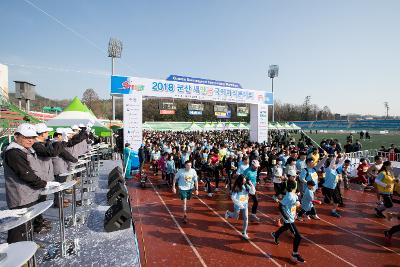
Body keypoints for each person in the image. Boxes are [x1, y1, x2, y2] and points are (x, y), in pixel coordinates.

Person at [2, 124, 59, 243]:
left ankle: (25, 248)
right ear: (16, 136)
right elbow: (25, 174)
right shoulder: (13, 152)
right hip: (21, 196)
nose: (30, 140)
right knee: (19, 228)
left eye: (33, 137)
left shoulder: (26, 149)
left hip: (30, 193)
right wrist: (44, 184)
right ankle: (16, 257)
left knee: (28, 225)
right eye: (26, 137)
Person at [271, 180, 305, 263]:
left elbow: (296, 202)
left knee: (285, 227)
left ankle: (275, 234)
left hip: (291, 217)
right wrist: (285, 216)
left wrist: (297, 204)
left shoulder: (293, 195)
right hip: (289, 219)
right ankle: (295, 254)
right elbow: (281, 205)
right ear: (294, 187)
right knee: (298, 236)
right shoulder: (289, 196)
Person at [225, 174, 256, 240]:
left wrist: (251, 184)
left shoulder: (246, 186)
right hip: (238, 205)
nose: (245, 182)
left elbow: (253, 192)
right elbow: (233, 197)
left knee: (246, 218)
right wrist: (239, 204)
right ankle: (228, 213)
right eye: (244, 180)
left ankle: (244, 233)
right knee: (235, 216)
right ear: (240, 181)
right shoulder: (237, 187)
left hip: (245, 204)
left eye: (245, 180)